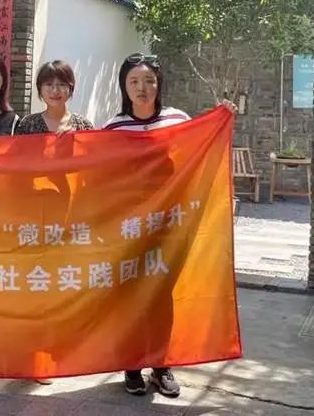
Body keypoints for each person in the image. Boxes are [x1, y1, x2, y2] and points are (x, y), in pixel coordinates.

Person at [103, 53, 237, 398]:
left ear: (159, 84)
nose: (142, 88)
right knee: (132, 295)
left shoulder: (178, 120)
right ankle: (132, 365)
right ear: (124, 87)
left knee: (162, 295)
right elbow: (102, 175)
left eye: (149, 81)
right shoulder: (115, 127)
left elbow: (200, 150)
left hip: (168, 223)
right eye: (134, 81)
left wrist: (221, 117)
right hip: (130, 227)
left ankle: (161, 366)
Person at [17, 60, 94, 135]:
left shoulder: (83, 125)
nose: (55, 91)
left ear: (70, 89)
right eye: (49, 84)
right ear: (40, 89)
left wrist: (75, 138)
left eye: (62, 84)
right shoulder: (28, 124)